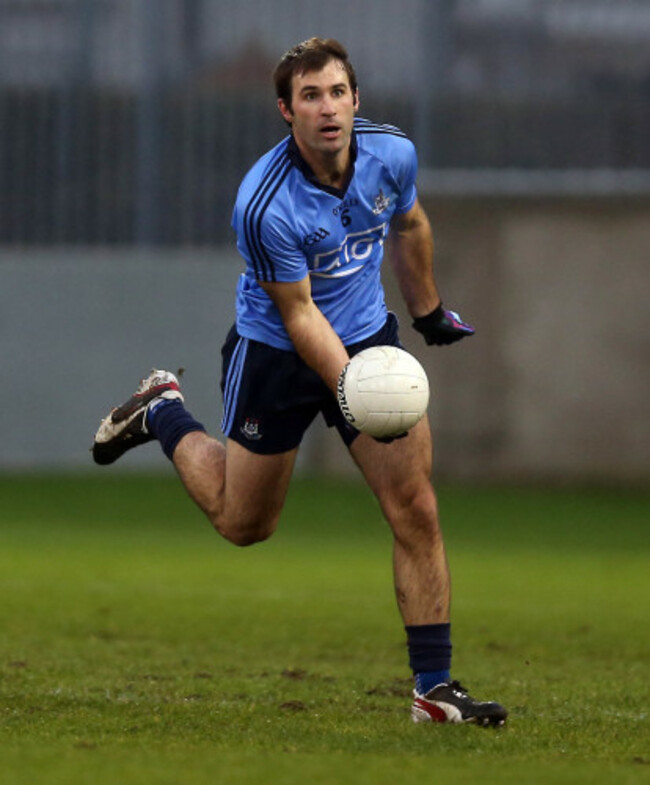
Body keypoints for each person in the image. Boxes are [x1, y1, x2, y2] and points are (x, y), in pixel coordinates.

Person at [93, 37, 507, 727]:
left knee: (415, 507)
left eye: (338, 92)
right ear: (286, 111)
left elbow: (409, 223)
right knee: (244, 524)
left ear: (356, 99)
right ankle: (163, 409)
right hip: (277, 353)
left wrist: (428, 310)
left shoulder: (392, 154)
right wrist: (354, 387)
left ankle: (434, 691)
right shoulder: (264, 203)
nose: (328, 108)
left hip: (368, 337)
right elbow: (300, 313)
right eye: (310, 96)